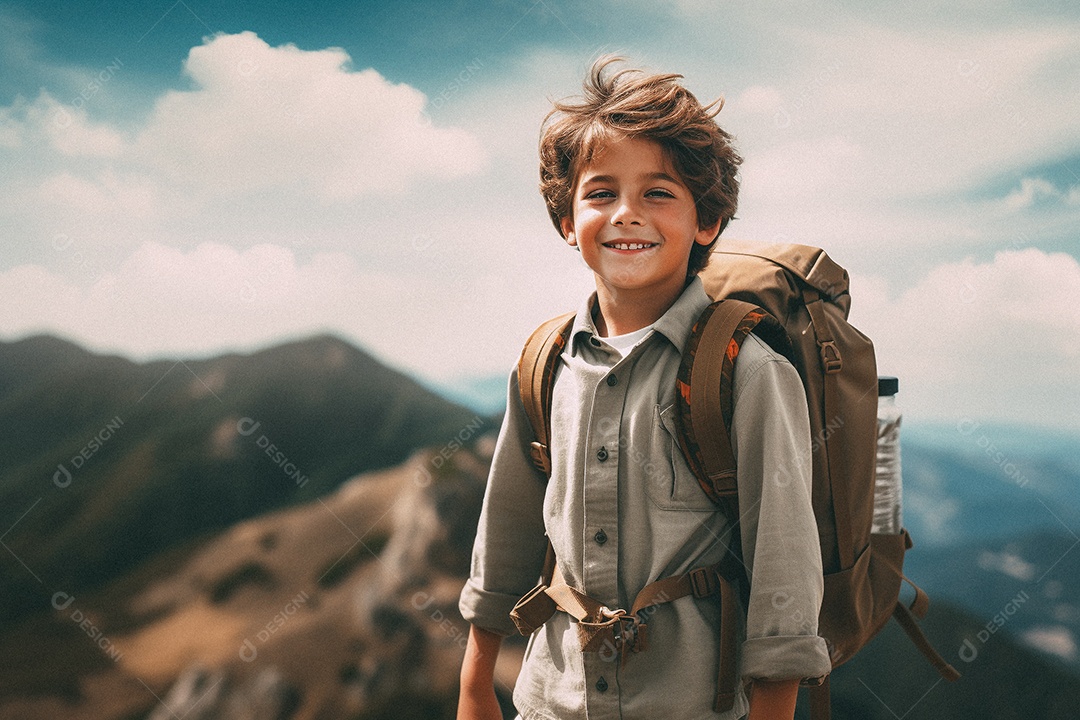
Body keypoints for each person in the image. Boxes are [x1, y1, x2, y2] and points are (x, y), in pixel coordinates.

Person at [457, 56, 831, 720]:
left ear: (706, 222)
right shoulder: (546, 363)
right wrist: (475, 685)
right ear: (569, 222)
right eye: (601, 193)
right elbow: (506, 532)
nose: (627, 214)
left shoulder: (744, 367)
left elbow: (784, 568)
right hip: (551, 703)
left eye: (658, 193)